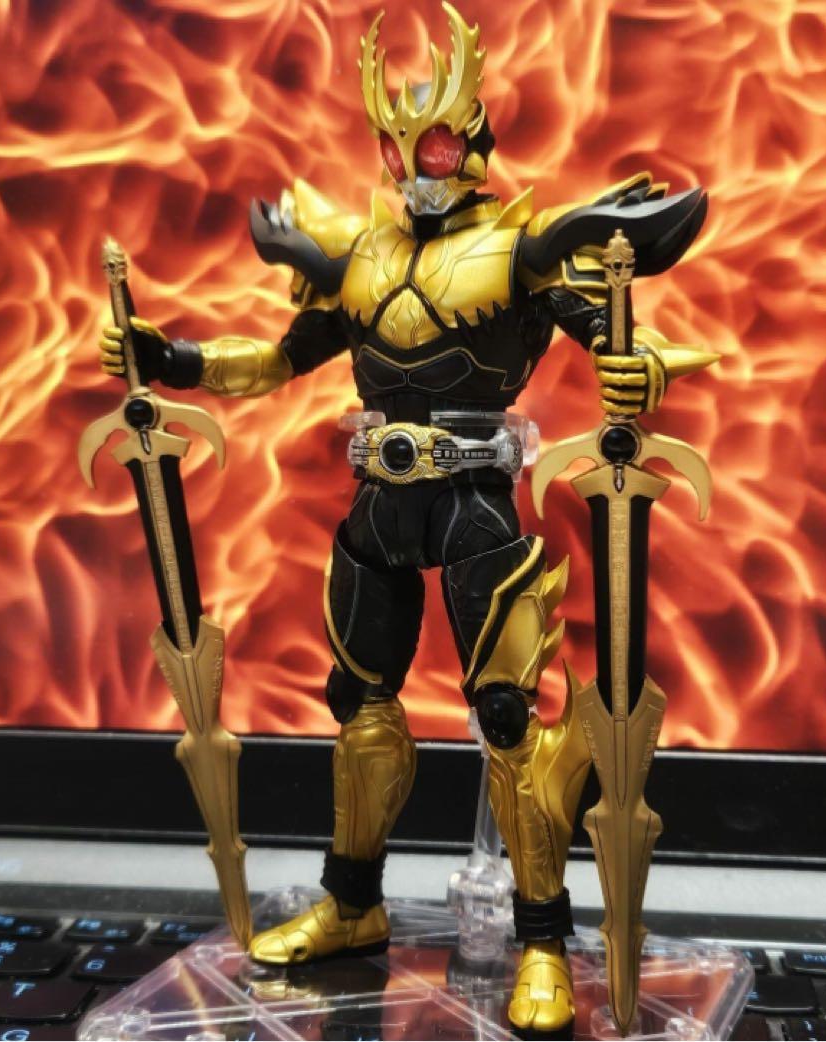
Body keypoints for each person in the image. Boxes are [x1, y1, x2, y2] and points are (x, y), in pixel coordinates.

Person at [100, 4, 711, 1033]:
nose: (413, 166)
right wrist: (176, 361)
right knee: (359, 704)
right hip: (379, 509)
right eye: (396, 148)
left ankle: (542, 941)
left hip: (476, 505)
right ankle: (353, 905)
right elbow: (277, 361)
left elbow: (620, 346)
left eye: (428, 145)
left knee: (507, 718)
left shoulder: (522, 248)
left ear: (471, 141)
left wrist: (637, 371)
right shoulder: (361, 258)